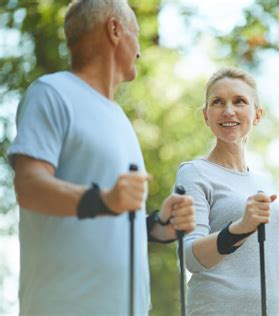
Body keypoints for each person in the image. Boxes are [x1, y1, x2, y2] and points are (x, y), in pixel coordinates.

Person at [8, 1, 195, 315]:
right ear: (115, 30)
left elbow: (112, 213)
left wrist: (160, 225)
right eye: (135, 34)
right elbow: (28, 185)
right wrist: (105, 200)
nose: (139, 49)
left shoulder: (120, 119)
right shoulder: (52, 93)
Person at [175, 67, 279, 315]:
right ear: (206, 115)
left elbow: (265, 274)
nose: (228, 110)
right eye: (218, 102)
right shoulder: (194, 173)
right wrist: (240, 228)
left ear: (257, 115)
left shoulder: (263, 182)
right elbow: (191, 258)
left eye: (239, 101)